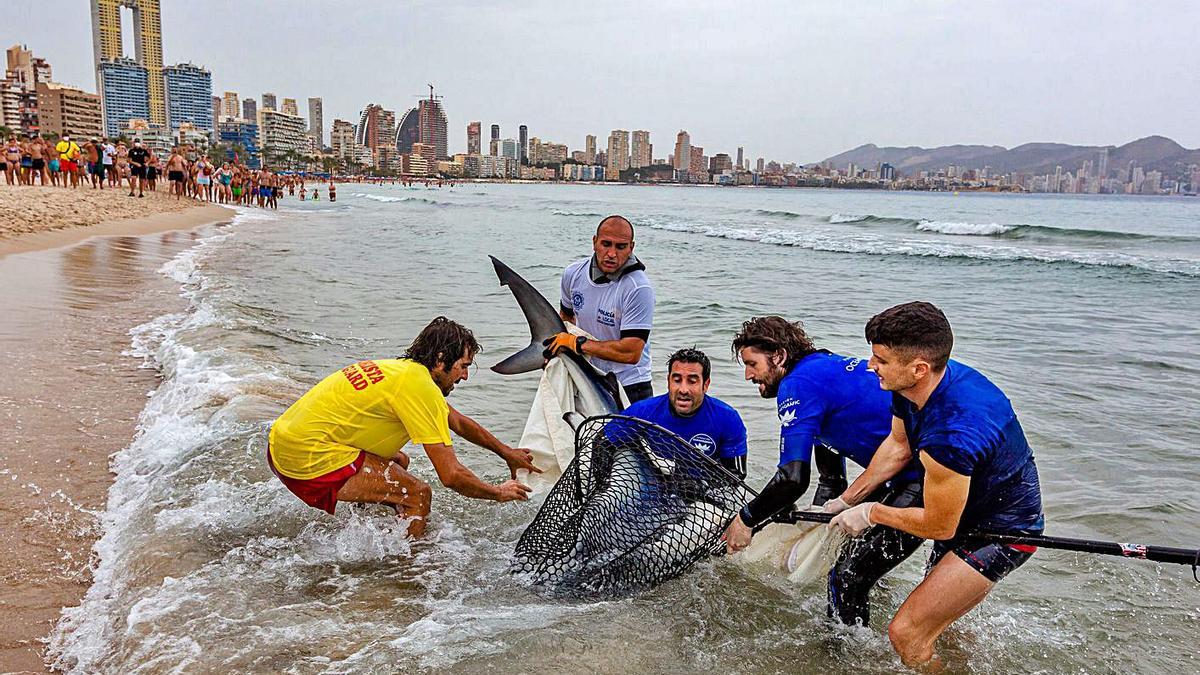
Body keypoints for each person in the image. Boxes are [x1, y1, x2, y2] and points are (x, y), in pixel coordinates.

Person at [828, 302, 1044, 669]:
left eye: (880, 359)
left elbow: (938, 525)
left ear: (919, 368)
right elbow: (898, 447)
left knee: (907, 632)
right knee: (939, 626)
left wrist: (872, 513)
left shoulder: (951, 434)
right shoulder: (912, 385)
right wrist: (847, 500)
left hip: (1003, 530)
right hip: (959, 511)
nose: (870, 365)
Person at [721, 316, 925, 628]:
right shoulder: (821, 370)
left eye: (752, 364)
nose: (748, 375)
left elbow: (792, 479)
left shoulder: (797, 386)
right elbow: (831, 481)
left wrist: (746, 520)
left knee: (846, 577)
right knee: (859, 558)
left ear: (778, 357)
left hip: (925, 477)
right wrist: (807, 526)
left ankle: (845, 656)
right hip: (906, 473)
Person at [268, 317, 541, 536]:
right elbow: (451, 476)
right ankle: (407, 570)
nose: (465, 376)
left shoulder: (403, 373)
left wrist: (506, 452)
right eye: (463, 366)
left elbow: (457, 421)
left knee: (399, 460)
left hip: (282, 443)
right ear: (440, 359)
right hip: (305, 459)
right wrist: (498, 492)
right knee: (418, 494)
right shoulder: (420, 389)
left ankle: (371, 532)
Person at [547, 215, 656, 403]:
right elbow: (566, 318)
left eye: (620, 247)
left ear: (631, 247)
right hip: (588, 378)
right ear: (594, 242)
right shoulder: (573, 274)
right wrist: (554, 351)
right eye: (606, 244)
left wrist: (577, 344)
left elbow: (631, 352)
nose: (612, 254)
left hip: (630, 384)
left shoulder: (638, 288)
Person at [624, 347, 748, 478]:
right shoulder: (641, 413)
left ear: (706, 385)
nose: (683, 390)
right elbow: (603, 444)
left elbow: (736, 475)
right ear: (668, 381)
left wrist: (702, 489)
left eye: (692, 381)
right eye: (677, 380)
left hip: (704, 492)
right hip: (651, 488)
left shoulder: (727, 419)